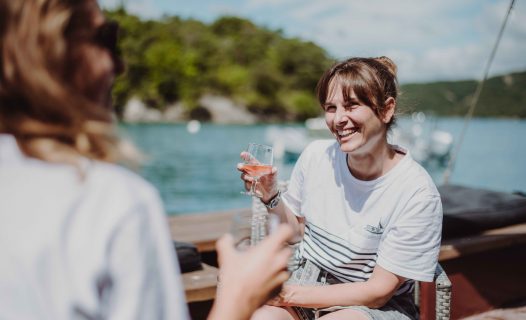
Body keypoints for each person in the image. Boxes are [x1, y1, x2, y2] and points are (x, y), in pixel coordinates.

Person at [0, 0, 292, 319]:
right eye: (106, 39)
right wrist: (238, 296)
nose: (118, 65)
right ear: (57, 51)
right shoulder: (113, 202)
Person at [239, 57, 443, 320]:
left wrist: (284, 294)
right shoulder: (316, 156)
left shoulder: (417, 193)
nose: (338, 119)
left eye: (351, 106)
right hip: (306, 280)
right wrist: (270, 196)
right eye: (330, 108)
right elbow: (295, 233)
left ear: (386, 110)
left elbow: (377, 291)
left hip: (373, 305)